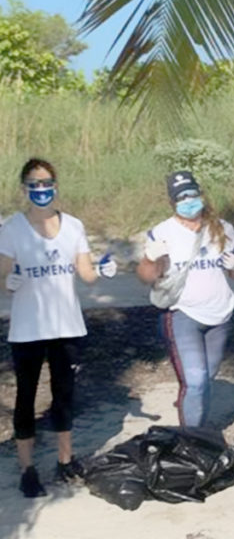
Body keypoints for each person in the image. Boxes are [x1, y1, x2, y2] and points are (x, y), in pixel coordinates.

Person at [0, 158, 117, 497]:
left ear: (56, 185)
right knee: (25, 398)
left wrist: (104, 270)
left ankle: (66, 460)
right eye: (34, 185)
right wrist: (10, 282)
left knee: (64, 395)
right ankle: (28, 469)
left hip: (66, 325)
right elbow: (1, 278)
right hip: (27, 328)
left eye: (47, 182)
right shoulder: (12, 229)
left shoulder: (74, 226)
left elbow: (87, 275)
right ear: (24, 189)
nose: (41, 190)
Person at [137, 171, 234, 428]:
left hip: (220, 315)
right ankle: (190, 441)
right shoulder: (162, 232)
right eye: (181, 197)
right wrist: (150, 259)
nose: (188, 200)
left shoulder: (224, 229)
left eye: (192, 194)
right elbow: (146, 277)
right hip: (182, 314)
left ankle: (197, 423)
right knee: (195, 381)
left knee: (206, 378)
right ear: (172, 202)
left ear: (201, 194)